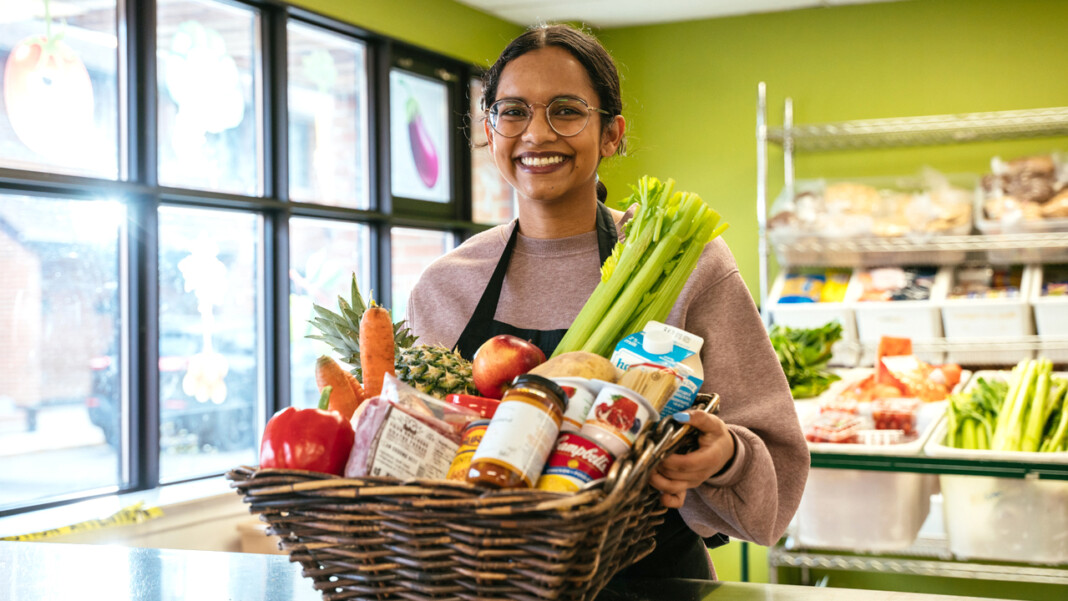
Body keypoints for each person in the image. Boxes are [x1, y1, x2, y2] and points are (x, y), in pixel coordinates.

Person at [406, 23, 808, 580]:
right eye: (513, 111)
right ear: (489, 129)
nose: (536, 134)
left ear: (612, 133)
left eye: (566, 111)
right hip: (487, 583)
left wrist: (726, 455)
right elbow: (417, 468)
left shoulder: (685, 263)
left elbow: (778, 470)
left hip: (654, 581)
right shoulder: (446, 285)